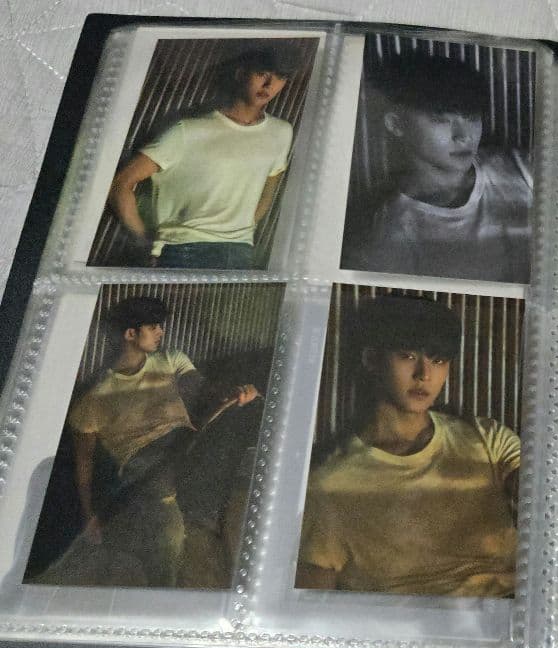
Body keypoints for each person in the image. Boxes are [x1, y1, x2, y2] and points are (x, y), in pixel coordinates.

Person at [296, 295, 520, 596]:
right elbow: (309, 603)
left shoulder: (486, 437)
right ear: (372, 360)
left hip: (512, 605)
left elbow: (549, 499)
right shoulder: (327, 482)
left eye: (438, 361)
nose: (424, 375)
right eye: (408, 356)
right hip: (413, 620)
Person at [39, 297, 260, 587]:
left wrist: (235, 392)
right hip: (143, 465)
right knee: (163, 518)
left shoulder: (170, 361)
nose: (160, 332)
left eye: (160, 326)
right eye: (153, 327)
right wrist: (89, 513)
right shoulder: (94, 399)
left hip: (186, 443)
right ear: (130, 334)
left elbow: (204, 389)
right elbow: (84, 462)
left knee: (231, 424)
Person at [340, 52, 532, 284]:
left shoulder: (521, 168)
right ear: (396, 124)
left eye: (471, 117)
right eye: (441, 120)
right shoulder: (389, 235)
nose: (463, 137)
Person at [107, 46, 297, 269]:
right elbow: (121, 184)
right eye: (262, 74)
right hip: (183, 249)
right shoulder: (187, 131)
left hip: (240, 250)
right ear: (241, 73)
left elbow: (269, 188)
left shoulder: (281, 132)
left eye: (279, 77)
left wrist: (243, 227)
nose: (269, 85)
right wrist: (144, 239)